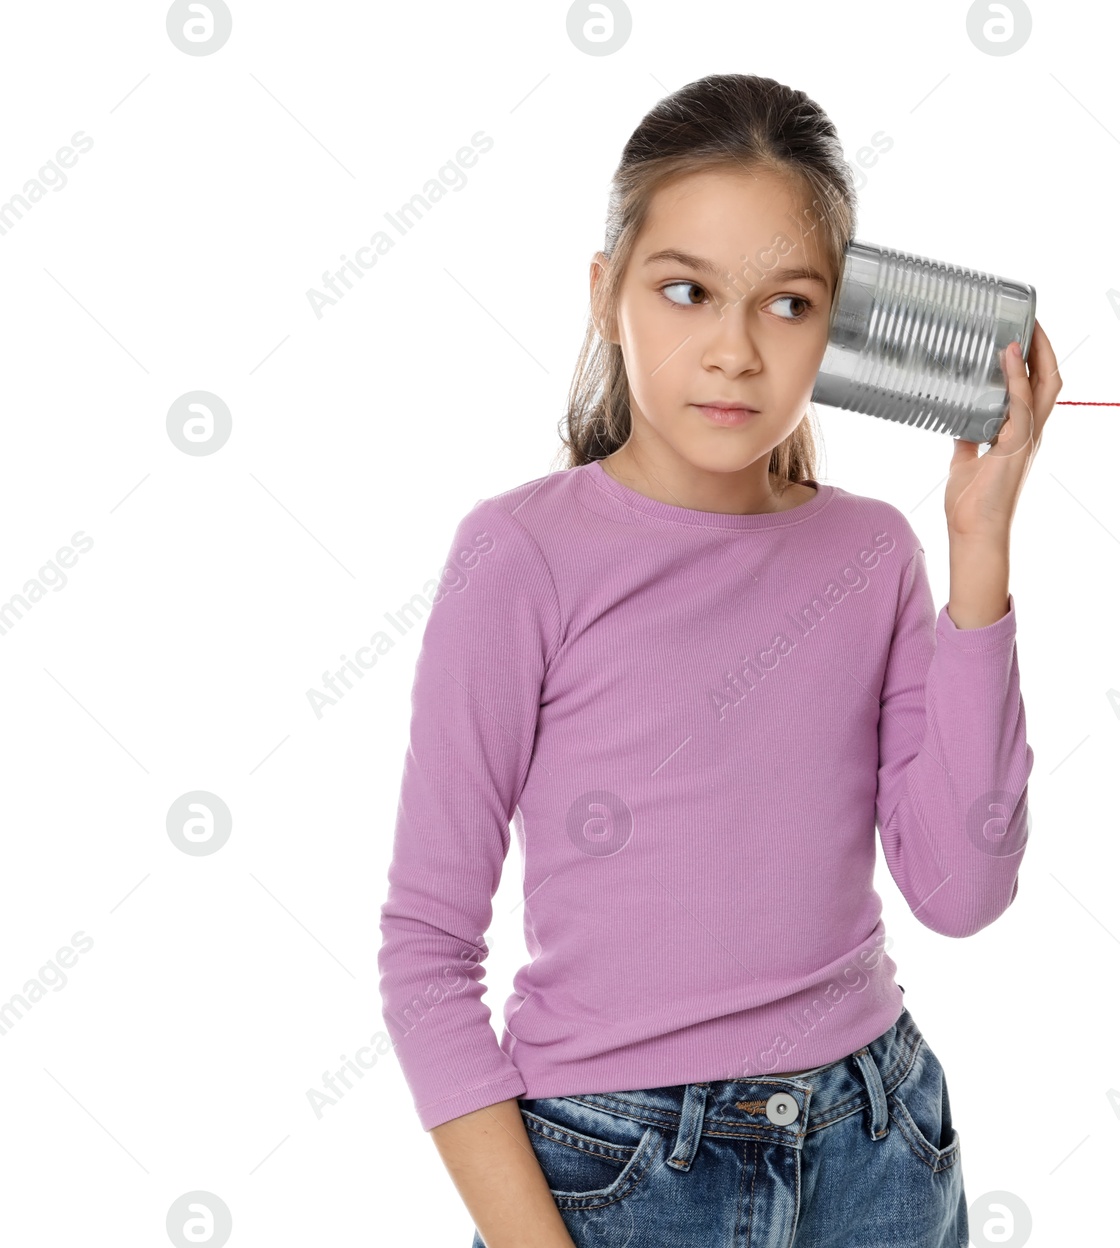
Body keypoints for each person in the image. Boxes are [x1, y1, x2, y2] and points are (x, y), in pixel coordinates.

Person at [376, 72, 1058, 1248]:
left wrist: (979, 545)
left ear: (838, 326)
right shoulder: (521, 557)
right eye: (685, 291)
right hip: (624, 1172)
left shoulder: (873, 552)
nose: (734, 351)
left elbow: (960, 893)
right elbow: (426, 959)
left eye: (787, 304)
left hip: (877, 1145)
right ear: (607, 297)